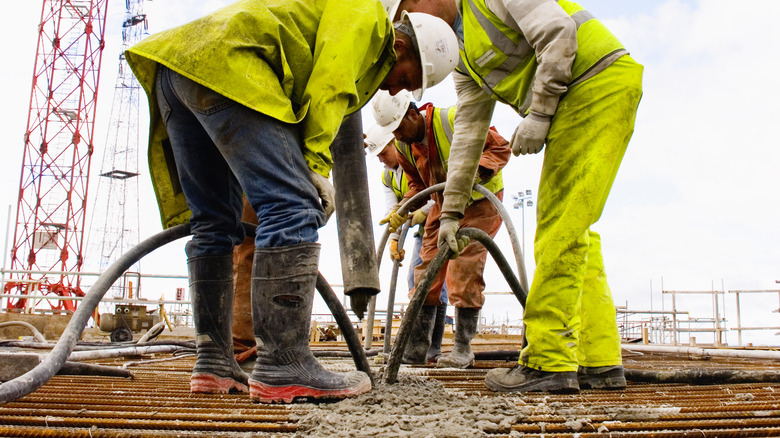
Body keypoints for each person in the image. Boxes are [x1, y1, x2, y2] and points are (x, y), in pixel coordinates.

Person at [125, 0, 459, 403]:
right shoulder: (367, 18)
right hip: (227, 67)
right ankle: (284, 364)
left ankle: (213, 361)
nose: (396, 90)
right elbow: (331, 82)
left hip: (178, 68)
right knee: (295, 205)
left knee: (214, 222)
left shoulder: (351, 32)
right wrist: (315, 168)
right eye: (408, 79)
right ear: (403, 49)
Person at [395, 0, 643, 392]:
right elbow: (468, 137)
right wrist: (449, 215)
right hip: (590, 90)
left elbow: (558, 32)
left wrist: (541, 111)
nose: (412, 25)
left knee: (558, 230)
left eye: (408, 13)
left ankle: (548, 362)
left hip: (592, 82)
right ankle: (599, 362)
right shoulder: (463, 58)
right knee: (574, 231)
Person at [371, 90, 510, 368]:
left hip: (479, 202)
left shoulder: (453, 119)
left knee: (464, 267)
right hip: (442, 203)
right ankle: (415, 348)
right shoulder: (405, 146)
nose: (397, 137)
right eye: (392, 132)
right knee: (424, 272)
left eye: (399, 128)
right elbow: (418, 187)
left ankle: (462, 349)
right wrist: (403, 210)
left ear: (413, 114)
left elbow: (500, 148)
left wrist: (472, 174)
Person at [364, 126, 448, 363]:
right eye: (378, 156)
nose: (381, 159)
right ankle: (419, 346)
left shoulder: (416, 158)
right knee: (414, 278)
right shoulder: (388, 175)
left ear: (394, 144)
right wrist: (393, 240)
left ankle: (433, 349)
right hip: (422, 228)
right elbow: (395, 211)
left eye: (383, 153)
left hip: (443, 220)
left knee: (435, 282)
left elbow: (439, 193)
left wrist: (421, 213)